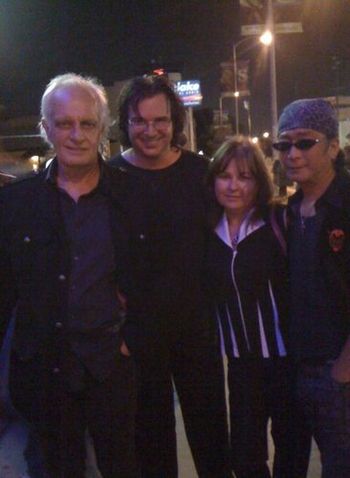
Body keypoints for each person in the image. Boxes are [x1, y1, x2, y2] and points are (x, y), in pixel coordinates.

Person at [0, 73, 137, 478]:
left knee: (120, 468)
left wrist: (133, 340)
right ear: (46, 130)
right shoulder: (14, 203)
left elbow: (155, 279)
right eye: (64, 123)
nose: (76, 134)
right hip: (43, 374)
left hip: (111, 369)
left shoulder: (132, 197)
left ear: (102, 129)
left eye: (87, 123)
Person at [109, 75, 230, 478]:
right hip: (138, 337)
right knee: (151, 447)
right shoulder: (110, 179)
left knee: (213, 441)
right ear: (125, 122)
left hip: (197, 330)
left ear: (175, 121)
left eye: (159, 120)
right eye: (139, 120)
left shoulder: (202, 173)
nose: (150, 130)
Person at [205, 136, 294, 478]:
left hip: (286, 361)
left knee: (291, 448)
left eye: (244, 176)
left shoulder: (278, 222)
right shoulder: (207, 232)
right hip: (241, 365)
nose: (233, 186)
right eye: (225, 176)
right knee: (244, 457)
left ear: (259, 181)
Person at [273, 98, 350, 478]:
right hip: (295, 368)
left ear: (333, 147)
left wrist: (342, 371)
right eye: (284, 145)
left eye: (305, 143)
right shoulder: (290, 211)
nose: (293, 154)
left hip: (338, 371)